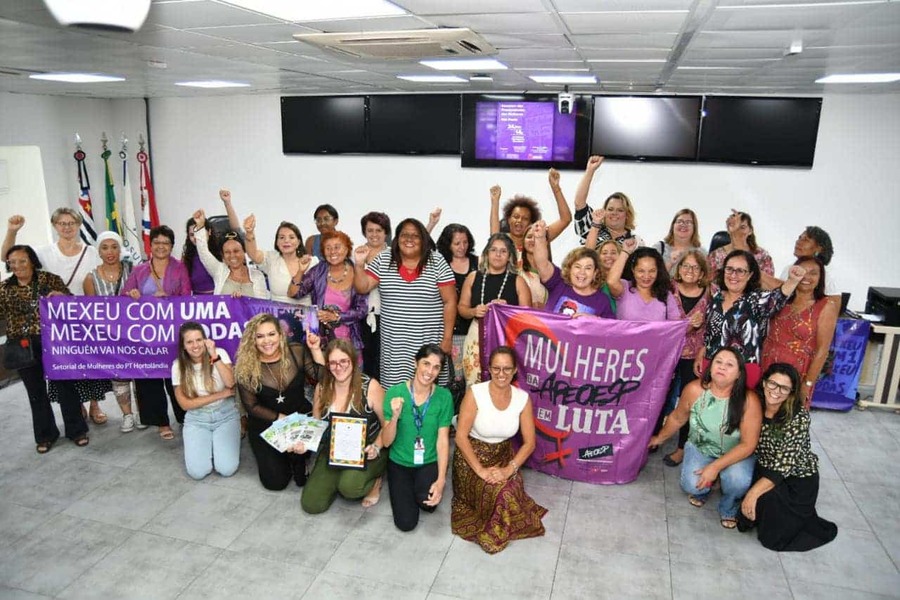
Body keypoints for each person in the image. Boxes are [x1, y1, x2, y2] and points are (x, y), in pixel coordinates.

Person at [3, 212, 108, 424]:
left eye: (71, 223)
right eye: (62, 223)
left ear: (79, 225)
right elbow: (9, 257)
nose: (67, 227)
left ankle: (95, 404)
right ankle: (76, 406)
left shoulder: (92, 252)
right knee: (67, 373)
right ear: (54, 225)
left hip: (84, 316)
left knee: (88, 365)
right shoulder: (44, 252)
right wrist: (12, 231)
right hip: (55, 323)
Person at [650, 347, 762, 529]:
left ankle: (729, 505)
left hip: (736, 453)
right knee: (692, 485)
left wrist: (715, 467)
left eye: (729, 365)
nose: (722, 367)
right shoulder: (694, 389)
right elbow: (678, 418)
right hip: (701, 447)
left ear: (739, 374)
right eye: (718, 362)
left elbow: (748, 445)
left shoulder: (749, 400)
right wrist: (658, 439)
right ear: (710, 367)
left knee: (737, 481)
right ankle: (706, 489)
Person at [451, 346, 547, 553]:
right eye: (496, 368)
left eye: (506, 369)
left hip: (504, 458)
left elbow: (529, 443)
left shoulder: (522, 399)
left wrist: (508, 469)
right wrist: (480, 471)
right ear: (489, 369)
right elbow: (460, 437)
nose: (501, 374)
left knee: (509, 492)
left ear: (514, 371)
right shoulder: (475, 393)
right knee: (502, 495)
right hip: (471, 458)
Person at [738, 363, 838, 550]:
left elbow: (783, 466)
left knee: (772, 537)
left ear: (792, 392)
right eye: (772, 384)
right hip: (764, 468)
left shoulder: (798, 417)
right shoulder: (754, 404)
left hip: (795, 480)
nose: (776, 391)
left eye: (784, 388)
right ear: (764, 383)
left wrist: (752, 494)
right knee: (744, 518)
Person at [0, 245, 89, 452]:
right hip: (23, 346)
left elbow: (71, 305)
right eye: (12, 262)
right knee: (35, 393)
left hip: (54, 342)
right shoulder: (4, 288)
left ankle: (77, 430)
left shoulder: (49, 279)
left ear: (32, 260)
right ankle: (45, 435)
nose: (17, 266)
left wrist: (62, 296)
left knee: (66, 387)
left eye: (22, 260)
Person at [353, 218, 456, 388]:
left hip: (429, 343)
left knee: (430, 393)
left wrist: (447, 339)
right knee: (396, 395)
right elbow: (362, 287)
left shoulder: (437, 261)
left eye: (415, 236)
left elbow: (450, 302)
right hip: (394, 348)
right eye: (404, 235)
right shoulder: (384, 259)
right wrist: (359, 264)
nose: (409, 239)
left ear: (423, 239)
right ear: (396, 238)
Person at [235, 313, 324, 490]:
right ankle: (286, 455)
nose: (266, 341)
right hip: (266, 424)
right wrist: (282, 419)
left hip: (298, 417)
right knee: (275, 483)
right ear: (252, 340)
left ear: (280, 335)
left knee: (300, 478)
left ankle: (298, 457)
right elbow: (251, 407)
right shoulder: (245, 366)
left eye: (271, 334)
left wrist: (315, 349)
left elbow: (322, 376)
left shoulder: (296, 351)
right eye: (259, 336)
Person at [696, 250, 805, 389]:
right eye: (729, 269)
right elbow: (710, 332)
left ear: (750, 275)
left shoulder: (755, 300)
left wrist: (793, 280)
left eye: (740, 271)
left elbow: (777, 298)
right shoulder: (717, 297)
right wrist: (702, 351)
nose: (733, 275)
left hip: (743, 371)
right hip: (712, 366)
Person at [122, 225, 192, 440]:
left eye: (166, 243)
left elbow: (187, 297)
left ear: (171, 246)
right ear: (150, 245)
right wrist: (132, 294)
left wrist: (169, 298)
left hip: (172, 333)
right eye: (157, 242)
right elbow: (124, 297)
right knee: (150, 377)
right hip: (146, 335)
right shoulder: (139, 270)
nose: (161, 246)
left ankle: (185, 417)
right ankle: (161, 422)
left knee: (177, 375)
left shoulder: (180, 268)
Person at [301, 339, 387, 513]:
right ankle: (336, 477)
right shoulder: (322, 387)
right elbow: (316, 425)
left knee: (350, 488)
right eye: (333, 363)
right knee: (312, 504)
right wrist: (303, 444)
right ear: (327, 365)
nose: (338, 367)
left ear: (353, 361)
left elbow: (388, 425)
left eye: (343, 361)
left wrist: (376, 446)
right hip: (334, 451)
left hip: (368, 449)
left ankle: (375, 480)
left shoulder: (370, 386)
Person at [382, 344, 453, 531]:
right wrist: (395, 416)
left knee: (428, 505)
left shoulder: (444, 397)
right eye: (426, 363)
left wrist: (441, 480)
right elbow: (386, 441)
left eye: (436, 367)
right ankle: (407, 489)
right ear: (416, 363)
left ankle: (420, 488)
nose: (429, 371)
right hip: (400, 463)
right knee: (406, 523)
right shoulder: (394, 393)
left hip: (428, 461)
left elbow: (443, 440)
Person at [762, 257, 839, 407]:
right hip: (767, 365)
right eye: (801, 271)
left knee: (789, 419)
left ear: (820, 278)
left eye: (813, 273)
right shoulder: (780, 298)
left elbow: (822, 350)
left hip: (798, 373)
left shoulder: (826, 306)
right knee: (760, 414)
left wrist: (807, 384)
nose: (806, 277)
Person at [458, 234, 532, 385]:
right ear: (486, 253)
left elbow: (528, 317)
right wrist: (473, 312)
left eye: (503, 251)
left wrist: (508, 310)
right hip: (476, 334)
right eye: (493, 250)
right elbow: (461, 308)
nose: (498, 255)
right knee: (474, 385)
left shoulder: (518, 281)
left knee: (504, 383)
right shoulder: (473, 277)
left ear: (510, 256)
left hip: (507, 337)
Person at [83, 231, 138, 433]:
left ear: (120, 248)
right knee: (120, 377)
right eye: (105, 248)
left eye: (114, 246)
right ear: (98, 251)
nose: (110, 252)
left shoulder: (134, 271)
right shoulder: (91, 278)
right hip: (111, 336)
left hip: (136, 333)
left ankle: (142, 413)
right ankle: (127, 415)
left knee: (141, 374)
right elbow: (92, 313)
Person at [171, 322, 240, 480]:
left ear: (205, 340)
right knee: (198, 472)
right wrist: (221, 394)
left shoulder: (219, 353)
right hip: (197, 419)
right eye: (189, 342)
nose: (195, 345)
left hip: (226, 415)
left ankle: (218, 446)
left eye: (199, 340)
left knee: (227, 469)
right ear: (183, 346)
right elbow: (185, 404)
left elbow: (231, 383)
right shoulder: (177, 366)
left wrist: (214, 356)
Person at [663, 251, 711, 467]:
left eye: (695, 267)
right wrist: (689, 325)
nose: (690, 271)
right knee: (661, 398)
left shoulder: (712, 293)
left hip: (695, 357)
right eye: (685, 266)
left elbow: (716, 324)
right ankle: (652, 438)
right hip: (667, 353)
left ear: (702, 272)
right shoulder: (668, 288)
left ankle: (682, 448)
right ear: (679, 268)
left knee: (689, 402)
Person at [290, 230, 367, 355]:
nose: (332, 252)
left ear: (347, 249)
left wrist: (337, 316)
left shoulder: (357, 271)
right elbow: (294, 294)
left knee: (351, 374)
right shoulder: (318, 270)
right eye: (328, 248)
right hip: (321, 342)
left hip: (350, 342)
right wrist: (300, 271)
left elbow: (362, 310)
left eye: (337, 247)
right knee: (323, 374)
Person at [530, 220, 614, 319]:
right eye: (577, 266)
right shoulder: (559, 282)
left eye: (588, 268)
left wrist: (596, 320)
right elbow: (542, 264)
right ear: (569, 269)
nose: (582, 272)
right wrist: (540, 238)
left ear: (595, 273)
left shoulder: (602, 300)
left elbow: (611, 329)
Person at [489, 168, 572, 254]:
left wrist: (556, 189)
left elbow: (565, 219)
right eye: (516, 217)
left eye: (525, 218)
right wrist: (495, 202)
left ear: (531, 224)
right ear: (509, 219)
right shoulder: (501, 241)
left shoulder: (537, 239)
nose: (519, 221)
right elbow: (494, 234)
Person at [572, 155, 645, 249]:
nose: (614, 213)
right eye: (610, 209)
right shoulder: (592, 227)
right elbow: (579, 202)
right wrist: (590, 170)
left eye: (620, 210)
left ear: (627, 215)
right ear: (604, 212)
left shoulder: (635, 242)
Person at [192, 209, 268, 298]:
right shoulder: (219, 271)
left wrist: (242, 301)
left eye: (236, 251)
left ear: (244, 251)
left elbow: (262, 307)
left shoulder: (258, 276)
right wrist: (200, 227)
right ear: (223, 256)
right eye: (227, 252)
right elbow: (203, 252)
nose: (232, 255)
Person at [436, 223, 479, 379]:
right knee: (451, 377)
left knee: (472, 376)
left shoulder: (478, 263)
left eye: (465, 242)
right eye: (457, 243)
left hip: (474, 328)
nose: (462, 247)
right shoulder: (440, 264)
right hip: (448, 331)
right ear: (448, 244)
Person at [243, 214, 315, 305]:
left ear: (298, 242)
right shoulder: (270, 259)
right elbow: (253, 254)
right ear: (277, 242)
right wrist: (249, 232)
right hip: (277, 316)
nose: (286, 241)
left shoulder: (311, 262)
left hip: (306, 316)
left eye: (291, 237)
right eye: (281, 237)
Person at [181, 189, 241, 295]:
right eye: (191, 235)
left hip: (221, 299)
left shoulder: (222, 250)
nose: (196, 238)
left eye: (198, 232)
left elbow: (237, 231)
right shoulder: (187, 257)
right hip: (198, 304)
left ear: (208, 232)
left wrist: (227, 203)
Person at [606, 242, 679, 321]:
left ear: (658, 271)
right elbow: (611, 282)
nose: (646, 276)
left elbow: (675, 327)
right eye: (641, 271)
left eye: (652, 271)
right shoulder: (625, 287)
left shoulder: (666, 294)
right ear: (633, 270)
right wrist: (625, 252)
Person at [358, 211, 392, 379]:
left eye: (379, 230)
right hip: (362, 315)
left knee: (386, 359)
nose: (374, 234)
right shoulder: (356, 254)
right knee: (367, 360)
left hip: (389, 315)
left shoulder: (394, 255)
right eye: (370, 230)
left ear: (386, 232)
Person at [707, 210, 773, 284]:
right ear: (729, 230)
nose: (738, 231)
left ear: (750, 230)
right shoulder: (715, 255)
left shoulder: (762, 255)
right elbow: (707, 282)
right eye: (735, 227)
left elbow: (770, 286)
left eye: (742, 227)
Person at [653, 209, 706, 275]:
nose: (683, 225)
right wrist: (670, 263)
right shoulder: (659, 248)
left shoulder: (702, 252)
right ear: (673, 225)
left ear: (694, 227)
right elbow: (652, 277)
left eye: (688, 222)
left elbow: (705, 280)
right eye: (679, 221)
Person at [519, 224, 549, 309]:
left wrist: (546, 308)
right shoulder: (515, 271)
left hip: (544, 321)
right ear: (523, 241)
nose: (532, 240)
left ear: (545, 242)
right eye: (529, 237)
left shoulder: (553, 275)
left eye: (537, 237)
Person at [596, 239, 621, 313]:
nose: (609, 256)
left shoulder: (627, 282)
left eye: (613, 253)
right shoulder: (593, 281)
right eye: (604, 253)